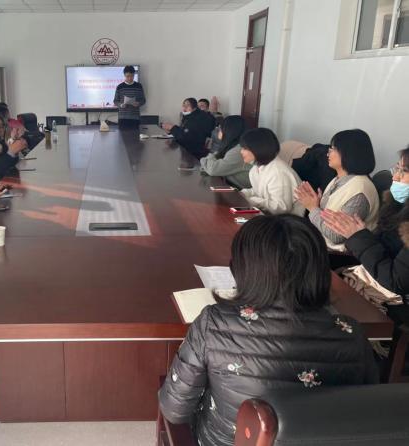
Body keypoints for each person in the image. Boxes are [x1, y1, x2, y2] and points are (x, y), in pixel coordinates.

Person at [158, 214, 378, 446]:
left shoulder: (213, 324)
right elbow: (367, 413)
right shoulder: (351, 333)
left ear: (243, 268)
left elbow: (174, 410)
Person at [321, 147, 409, 312]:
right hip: (371, 274)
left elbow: (396, 281)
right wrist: (361, 235)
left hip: (396, 301)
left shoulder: (359, 187)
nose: (395, 177)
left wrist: (358, 236)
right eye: (396, 169)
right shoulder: (397, 206)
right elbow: (384, 249)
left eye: (403, 172)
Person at [295, 129, 380, 251]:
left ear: (348, 154)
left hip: (339, 255)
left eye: (333, 149)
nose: (328, 153)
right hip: (322, 245)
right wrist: (317, 204)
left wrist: (313, 208)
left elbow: (336, 236)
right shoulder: (339, 178)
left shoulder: (360, 190)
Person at [240, 128, 304, 215]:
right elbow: (260, 191)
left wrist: (253, 201)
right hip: (270, 215)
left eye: (245, 148)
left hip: (288, 219)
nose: (241, 152)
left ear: (258, 149)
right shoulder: (256, 168)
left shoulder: (278, 172)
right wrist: (243, 194)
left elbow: (282, 207)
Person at [199, 115, 251, 189]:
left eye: (220, 128)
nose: (218, 131)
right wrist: (208, 162)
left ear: (229, 130)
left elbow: (213, 169)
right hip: (231, 185)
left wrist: (205, 158)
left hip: (242, 192)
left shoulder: (239, 150)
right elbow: (207, 167)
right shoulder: (231, 146)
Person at [0, 111, 27, 179]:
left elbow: (12, 164)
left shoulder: (1, 143)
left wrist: (15, 150)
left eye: (1, 126)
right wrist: (11, 152)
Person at [113, 65, 146, 130]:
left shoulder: (138, 86)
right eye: (128, 76)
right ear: (124, 75)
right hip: (123, 118)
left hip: (135, 118)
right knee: (122, 136)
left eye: (132, 76)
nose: (130, 78)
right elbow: (115, 101)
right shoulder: (120, 87)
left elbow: (143, 100)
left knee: (135, 135)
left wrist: (138, 103)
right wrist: (121, 105)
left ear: (134, 75)